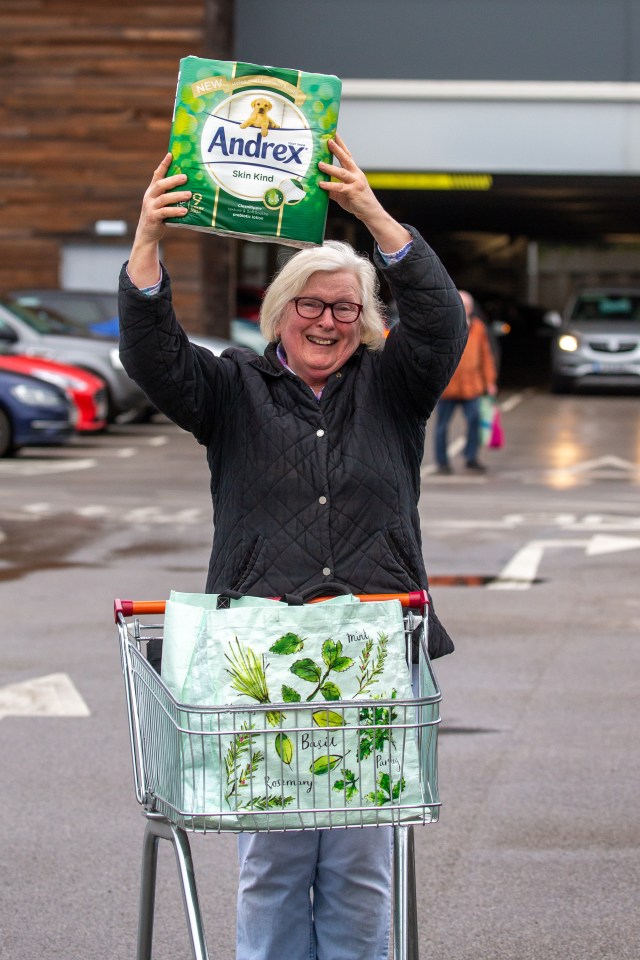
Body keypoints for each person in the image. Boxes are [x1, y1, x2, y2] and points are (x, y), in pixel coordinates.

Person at [118, 133, 467, 960]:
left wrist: (369, 213)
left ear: (366, 321)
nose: (327, 320)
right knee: (273, 865)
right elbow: (153, 356)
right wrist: (146, 240)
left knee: (358, 866)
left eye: (346, 307)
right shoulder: (231, 388)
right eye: (310, 304)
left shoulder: (394, 387)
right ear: (279, 314)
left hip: (374, 653)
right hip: (260, 661)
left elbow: (442, 320)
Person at [433, 290, 497, 474]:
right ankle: (442, 462)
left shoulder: (478, 327)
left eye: (467, 306)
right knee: (442, 426)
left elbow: (486, 356)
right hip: (448, 387)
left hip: (472, 386)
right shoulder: (444, 325)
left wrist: (490, 381)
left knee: (475, 420)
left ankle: (471, 457)